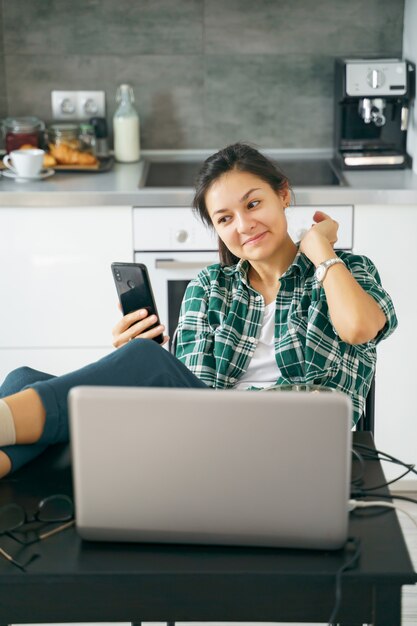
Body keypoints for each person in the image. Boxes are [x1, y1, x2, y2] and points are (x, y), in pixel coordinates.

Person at [0, 143, 397, 478]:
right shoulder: (210, 287)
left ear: (284, 195)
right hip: (210, 444)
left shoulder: (346, 272)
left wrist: (320, 249)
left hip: (297, 446)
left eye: (253, 203)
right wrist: (131, 368)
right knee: (23, 378)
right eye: (225, 218)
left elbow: (360, 328)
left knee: (142, 363)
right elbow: (192, 400)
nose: (244, 225)